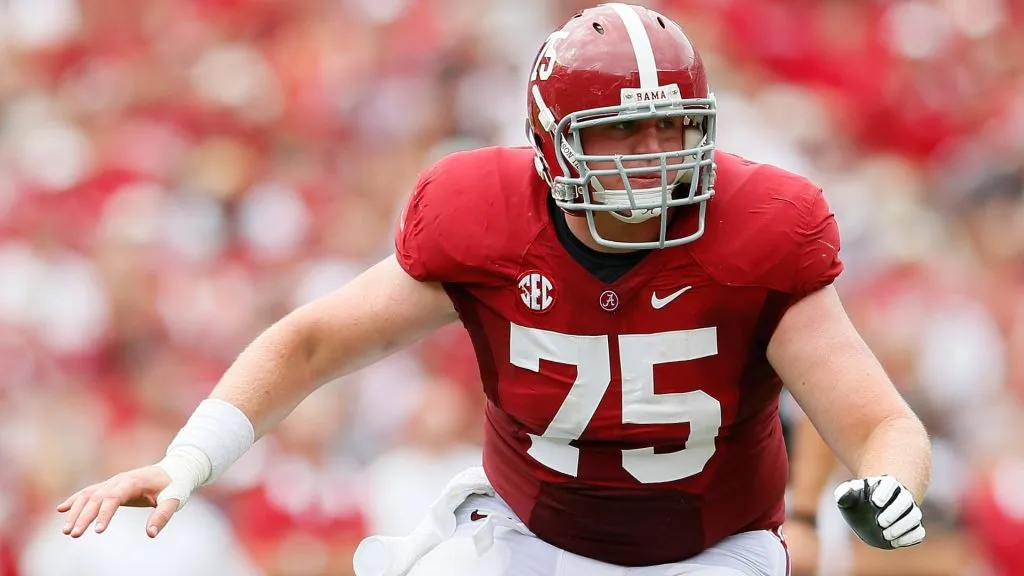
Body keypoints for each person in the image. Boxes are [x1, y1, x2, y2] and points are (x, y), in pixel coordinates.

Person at [56, 4, 932, 575]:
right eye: (625, 130)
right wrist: (189, 457)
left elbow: (876, 422)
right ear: (552, 143)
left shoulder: (761, 225)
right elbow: (313, 342)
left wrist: (892, 483)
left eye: (674, 125)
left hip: (706, 554)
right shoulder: (484, 216)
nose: (656, 153)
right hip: (524, 540)